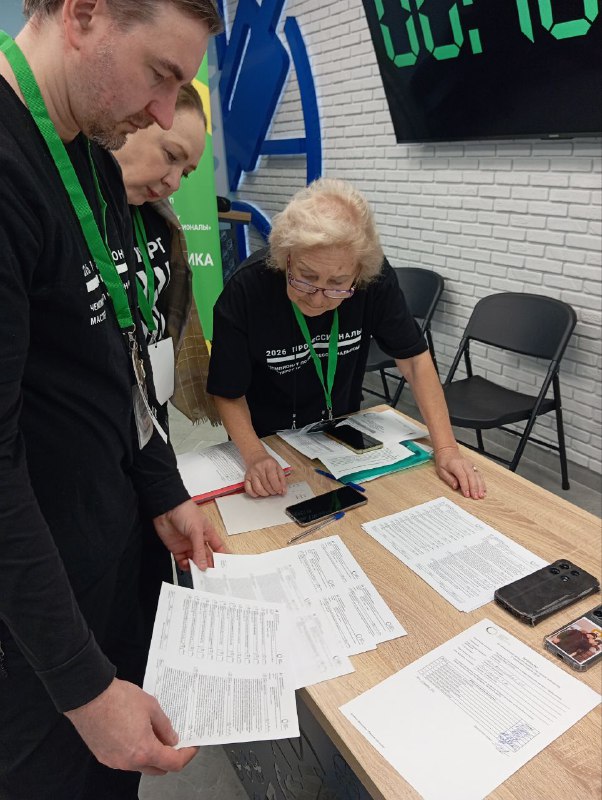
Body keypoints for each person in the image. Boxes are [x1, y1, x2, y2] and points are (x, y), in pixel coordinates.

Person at [0, 1, 225, 798]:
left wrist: (161, 485)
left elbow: (116, 359)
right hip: (35, 621)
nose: (163, 111)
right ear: (85, 14)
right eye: (160, 75)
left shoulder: (90, 156)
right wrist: (83, 688)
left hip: (110, 554)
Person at [207, 178, 487, 501]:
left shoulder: (374, 279)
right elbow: (228, 391)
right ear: (286, 256)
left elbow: (414, 361)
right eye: (306, 277)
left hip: (338, 435)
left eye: (338, 284)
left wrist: (447, 449)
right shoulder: (247, 289)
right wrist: (255, 455)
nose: (318, 299)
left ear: (359, 272)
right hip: (266, 440)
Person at [114, 81, 220, 430]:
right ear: (128, 123)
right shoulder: (71, 216)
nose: (173, 182)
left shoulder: (159, 219)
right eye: (172, 156)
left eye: (185, 173)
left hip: (148, 399)